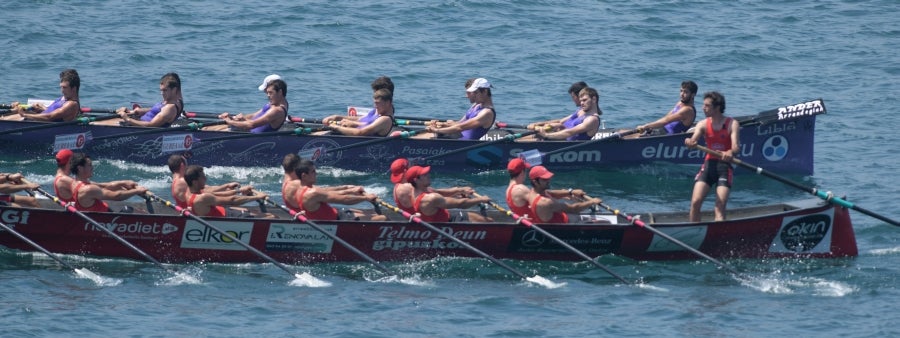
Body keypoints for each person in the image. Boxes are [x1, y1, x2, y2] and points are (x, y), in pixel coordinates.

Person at [684, 91, 739, 222]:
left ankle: (718, 236)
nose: (703, 108)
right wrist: (690, 143)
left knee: (719, 207)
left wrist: (730, 152)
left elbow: (736, 147)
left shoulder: (732, 124)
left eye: (707, 106)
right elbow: (693, 140)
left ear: (717, 107)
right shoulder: (702, 124)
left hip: (724, 168)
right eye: (704, 105)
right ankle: (695, 233)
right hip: (708, 166)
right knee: (695, 202)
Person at [291, 159, 386, 221]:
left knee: (372, 212)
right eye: (313, 171)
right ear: (304, 175)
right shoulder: (312, 193)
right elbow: (344, 199)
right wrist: (366, 198)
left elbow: (326, 191)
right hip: (338, 221)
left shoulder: (301, 188)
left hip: (336, 213)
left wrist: (347, 188)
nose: (316, 173)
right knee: (383, 218)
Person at [405, 165, 492, 222]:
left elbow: (440, 192)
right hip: (447, 222)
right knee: (488, 221)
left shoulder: (414, 191)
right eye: (424, 175)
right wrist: (481, 199)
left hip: (442, 215)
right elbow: (461, 204)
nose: (428, 175)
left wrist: (460, 190)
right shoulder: (430, 198)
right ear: (416, 180)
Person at [55, 149, 139, 205]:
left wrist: (123, 183)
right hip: (85, 215)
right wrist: (137, 191)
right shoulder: (64, 180)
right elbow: (114, 195)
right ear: (70, 161)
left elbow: (102, 186)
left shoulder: (64, 178)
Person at [390, 158, 473, 214]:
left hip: (421, 215)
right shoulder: (409, 187)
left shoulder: (397, 187)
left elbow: (435, 193)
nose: (412, 166)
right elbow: (436, 193)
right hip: (427, 220)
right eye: (409, 165)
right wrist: (460, 190)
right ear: (405, 171)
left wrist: (457, 192)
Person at [69, 152, 148, 212]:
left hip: (104, 211)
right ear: (80, 168)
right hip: (104, 221)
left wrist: (123, 183)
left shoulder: (75, 182)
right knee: (134, 211)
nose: (92, 167)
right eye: (89, 165)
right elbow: (116, 196)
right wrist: (137, 191)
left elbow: (105, 186)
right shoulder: (88, 189)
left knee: (132, 209)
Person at [207, 75, 288, 133]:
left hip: (249, 134)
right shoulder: (276, 103)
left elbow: (251, 125)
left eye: (270, 93)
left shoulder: (277, 110)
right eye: (267, 92)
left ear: (280, 92)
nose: (268, 95)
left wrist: (229, 121)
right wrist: (233, 118)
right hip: (246, 129)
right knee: (207, 128)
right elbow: (255, 116)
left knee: (206, 130)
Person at [183, 165, 271, 217]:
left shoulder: (189, 191)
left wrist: (239, 190)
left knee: (251, 211)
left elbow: (215, 193)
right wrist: (258, 196)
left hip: (223, 211)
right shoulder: (202, 198)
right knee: (272, 217)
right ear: (195, 182)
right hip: (226, 219)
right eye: (202, 177)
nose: (205, 178)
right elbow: (232, 200)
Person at [422, 77, 496, 140]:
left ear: (485, 92)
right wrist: (442, 124)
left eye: (475, 93)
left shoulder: (487, 113)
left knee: (424, 136)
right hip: (456, 136)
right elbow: (459, 123)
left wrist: (436, 130)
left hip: (462, 143)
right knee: (423, 135)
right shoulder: (476, 105)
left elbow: (460, 127)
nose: (469, 96)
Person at [102, 72, 183, 127]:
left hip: (138, 129)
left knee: (95, 123)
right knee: (108, 119)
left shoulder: (170, 108)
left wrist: (127, 119)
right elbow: (157, 110)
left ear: (175, 89)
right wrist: (138, 111)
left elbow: (150, 125)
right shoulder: (172, 100)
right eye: (161, 90)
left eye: (165, 90)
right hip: (137, 121)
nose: (162, 93)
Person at [525, 166, 601, 224]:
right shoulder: (545, 202)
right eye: (545, 179)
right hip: (567, 224)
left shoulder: (532, 192)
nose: (548, 181)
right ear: (535, 182)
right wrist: (592, 202)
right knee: (604, 223)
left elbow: (551, 193)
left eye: (548, 178)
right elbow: (573, 209)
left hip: (562, 216)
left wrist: (571, 192)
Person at [167, 154, 247, 209]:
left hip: (198, 207)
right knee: (239, 205)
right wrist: (228, 187)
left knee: (232, 198)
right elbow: (207, 190)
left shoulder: (175, 181)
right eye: (186, 164)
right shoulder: (182, 181)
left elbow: (207, 189)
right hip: (198, 211)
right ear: (182, 165)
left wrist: (228, 188)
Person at [8, 69, 81, 122]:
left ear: (74, 88)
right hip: (37, 120)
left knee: (4, 119)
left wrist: (24, 114)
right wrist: (42, 108)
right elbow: (54, 113)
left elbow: (50, 117)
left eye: (64, 87)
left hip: (39, 124)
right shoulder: (65, 98)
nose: (62, 90)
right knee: (11, 112)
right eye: (61, 87)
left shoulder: (72, 104)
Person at [532, 87, 602, 140]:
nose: (581, 103)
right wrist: (559, 126)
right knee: (533, 135)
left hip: (564, 144)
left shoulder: (592, 119)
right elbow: (563, 123)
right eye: (580, 101)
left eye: (584, 100)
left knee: (536, 138)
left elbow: (570, 133)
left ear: (594, 99)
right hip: (557, 138)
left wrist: (546, 135)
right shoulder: (581, 112)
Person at [321, 76, 394, 127]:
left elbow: (373, 126)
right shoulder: (376, 110)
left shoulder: (385, 113)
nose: (374, 96)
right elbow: (360, 119)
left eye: (376, 93)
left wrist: (353, 123)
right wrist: (338, 117)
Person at [326, 88, 395, 136]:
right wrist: (338, 117)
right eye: (374, 103)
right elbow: (360, 120)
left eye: (377, 103)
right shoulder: (380, 114)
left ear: (388, 103)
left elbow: (360, 132)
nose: (375, 106)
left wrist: (336, 127)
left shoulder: (385, 119)